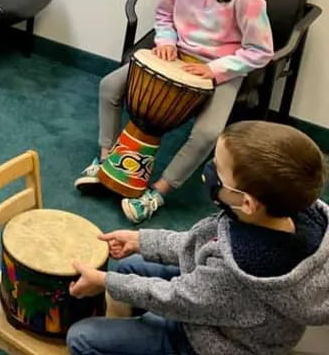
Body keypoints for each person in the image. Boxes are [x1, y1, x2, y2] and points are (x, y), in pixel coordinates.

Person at [65, 120, 329, 355]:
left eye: (219, 169)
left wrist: (105, 282)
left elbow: (176, 299)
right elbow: (206, 245)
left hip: (207, 342)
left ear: (247, 203)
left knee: (81, 338)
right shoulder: (295, 214)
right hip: (216, 306)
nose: (209, 171)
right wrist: (142, 241)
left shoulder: (240, 271)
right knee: (129, 268)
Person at [75, 0, 274, 223]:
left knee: (208, 133)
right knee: (109, 87)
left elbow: (261, 51)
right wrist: (165, 40)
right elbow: (164, 15)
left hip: (218, 68)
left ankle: (159, 191)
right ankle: (106, 160)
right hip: (175, 54)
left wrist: (216, 69)